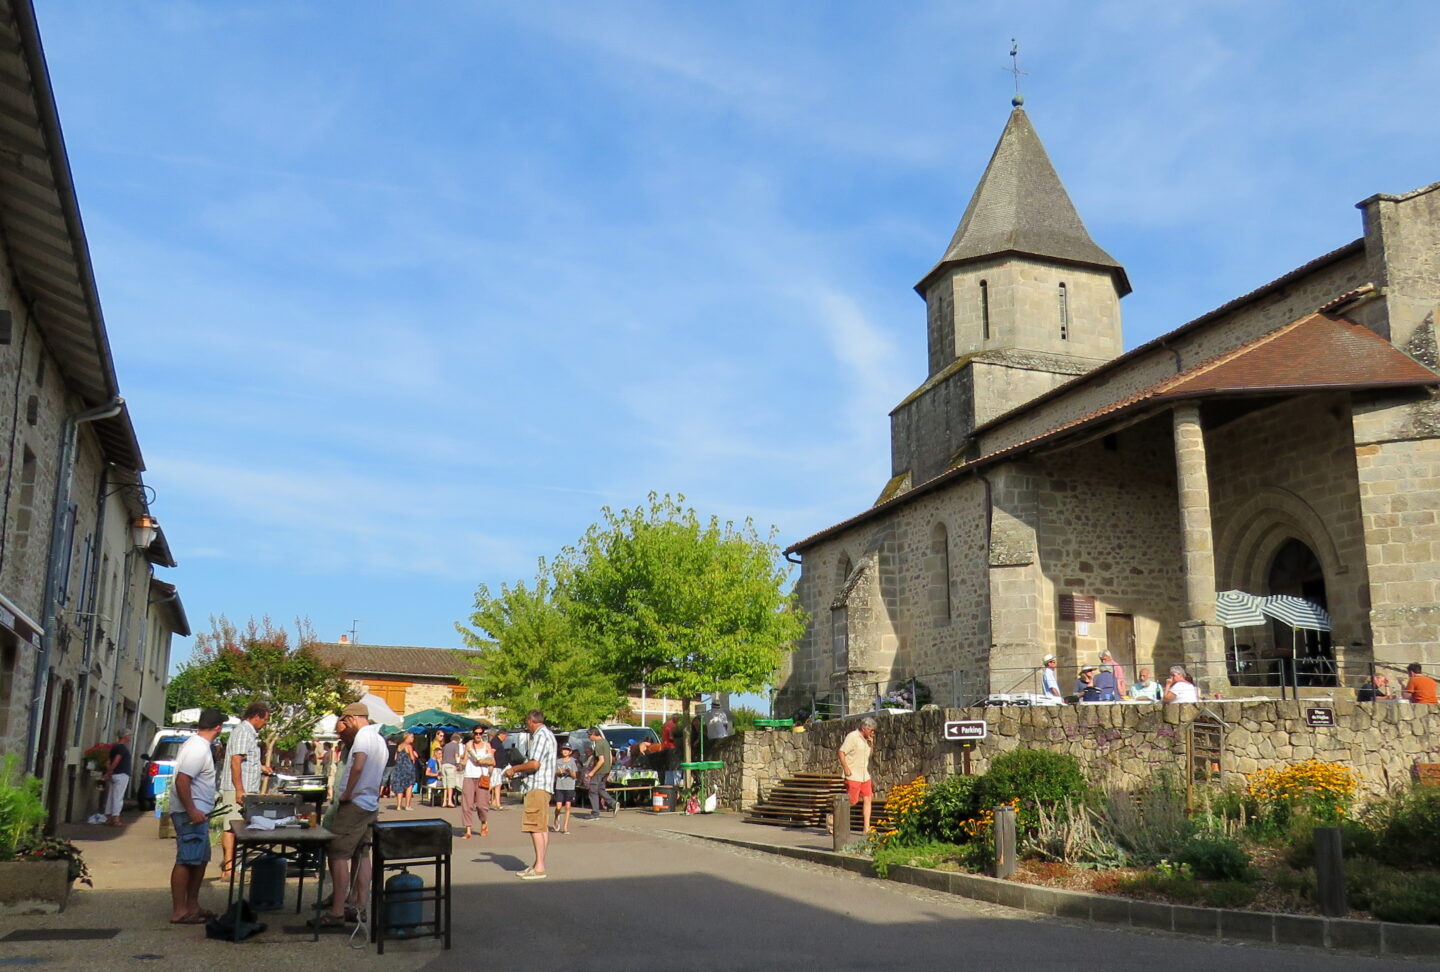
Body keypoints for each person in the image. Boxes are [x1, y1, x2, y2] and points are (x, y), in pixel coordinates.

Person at [310, 702, 387, 928]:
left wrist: (347, 793)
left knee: (337, 853)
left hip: (355, 803)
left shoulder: (363, 737)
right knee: (362, 854)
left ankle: (337, 912)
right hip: (370, 803)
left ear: (352, 718)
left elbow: (358, 766)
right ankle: (359, 906)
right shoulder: (379, 739)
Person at [168, 708, 224, 924]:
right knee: (186, 859)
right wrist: (191, 809)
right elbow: (183, 780)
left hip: (198, 812)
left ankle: (192, 905)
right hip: (190, 813)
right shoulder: (198, 749)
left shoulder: (198, 745)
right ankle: (180, 910)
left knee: (199, 859)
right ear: (217, 727)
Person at [219, 701, 272, 879]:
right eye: (265, 720)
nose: (265, 724)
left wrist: (261, 767)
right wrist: (239, 790)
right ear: (256, 716)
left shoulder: (249, 733)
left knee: (239, 827)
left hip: (246, 788)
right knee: (231, 826)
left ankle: (235, 864)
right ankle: (228, 868)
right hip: (238, 789)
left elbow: (246, 760)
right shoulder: (243, 732)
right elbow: (236, 761)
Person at [503, 709, 556, 880]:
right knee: (541, 826)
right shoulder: (547, 735)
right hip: (542, 785)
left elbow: (534, 764)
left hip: (538, 786)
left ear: (532, 721)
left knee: (534, 826)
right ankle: (537, 864)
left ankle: (540, 866)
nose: (527, 726)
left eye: (527, 723)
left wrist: (515, 769)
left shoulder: (541, 736)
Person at [838, 717, 877, 835]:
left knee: (868, 798)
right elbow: (841, 752)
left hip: (865, 775)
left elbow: (868, 756)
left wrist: (871, 744)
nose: (873, 733)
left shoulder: (867, 739)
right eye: (872, 730)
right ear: (864, 728)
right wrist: (846, 768)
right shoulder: (852, 737)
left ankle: (866, 828)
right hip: (853, 775)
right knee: (852, 801)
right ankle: (833, 818)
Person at [460, 727, 493, 839]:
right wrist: (459, 763)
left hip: (481, 777)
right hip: (469, 776)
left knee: (481, 805)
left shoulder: (486, 745)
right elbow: (464, 760)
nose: (478, 735)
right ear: (473, 734)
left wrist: (487, 766)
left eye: (480, 733)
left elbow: (492, 761)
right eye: (476, 733)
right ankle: (468, 829)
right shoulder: (468, 745)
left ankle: (484, 822)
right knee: (467, 804)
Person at [583, 726, 617, 818]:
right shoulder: (605, 742)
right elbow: (609, 757)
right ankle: (613, 803)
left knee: (592, 791)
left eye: (589, 735)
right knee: (600, 789)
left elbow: (601, 760)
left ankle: (595, 813)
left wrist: (592, 772)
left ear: (594, 734)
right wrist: (609, 768)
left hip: (599, 770)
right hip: (606, 769)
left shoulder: (598, 744)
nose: (588, 737)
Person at [101, 728, 133, 828]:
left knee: (111, 796)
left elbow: (108, 761)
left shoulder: (114, 747)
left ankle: (108, 817)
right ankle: (116, 819)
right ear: (125, 736)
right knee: (118, 797)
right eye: (129, 735)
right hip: (121, 774)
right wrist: (110, 770)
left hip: (114, 774)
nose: (130, 737)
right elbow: (116, 760)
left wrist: (109, 771)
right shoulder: (122, 748)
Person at [552, 744, 579, 834]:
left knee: (568, 807)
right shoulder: (558, 761)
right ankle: (556, 819)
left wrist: (569, 771)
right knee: (558, 807)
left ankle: (565, 827)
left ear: (570, 752)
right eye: (564, 749)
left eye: (567, 750)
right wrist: (559, 772)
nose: (565, 751)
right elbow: (554, 773)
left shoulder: (572, 762)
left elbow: (575, 776)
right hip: (559, 786)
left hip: (570, 786)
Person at [392, 732, 419, 810]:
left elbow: (395, 758)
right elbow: (412, 758)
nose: (413, 738)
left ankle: (398, 806)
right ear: (407, 737)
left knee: (399, 786)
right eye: (412, 737)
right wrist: (415, 754)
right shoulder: (409, 746)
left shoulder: (399, 746)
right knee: (409, 786)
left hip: (399, 768)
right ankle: (407, 805)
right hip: (408, 768)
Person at [488, 729, 509, 809]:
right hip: (495, 766)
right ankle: (481, 801)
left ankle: (497, 803)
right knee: (492, 785)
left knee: (498, 784)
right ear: (501, 734)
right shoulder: (496, 741)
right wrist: (491, 764)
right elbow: (492, 752)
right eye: (505, 736)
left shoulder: (499, 742)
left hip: (499, 767)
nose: (506, 738)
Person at [440, 731, 462, 809]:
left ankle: (444, 802)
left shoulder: (446, 745)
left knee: (445, 784)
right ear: (458, 740)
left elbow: (442, 755)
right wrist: (458, 765)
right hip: (451, 765)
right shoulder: (456, 745)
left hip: (443, 765)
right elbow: (456, 756)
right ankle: (449, 801)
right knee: (451, 784)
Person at [659, 715, 681, 786]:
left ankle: (668, 784)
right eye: (678, 719)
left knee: (668, 768)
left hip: (665, 747)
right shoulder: (672, 726)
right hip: (671, 748)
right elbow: (671, 737)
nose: (678, 721)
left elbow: (661, 734)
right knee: (675, 767)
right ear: (675, 718)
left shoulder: (665, 724)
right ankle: (675, 785)